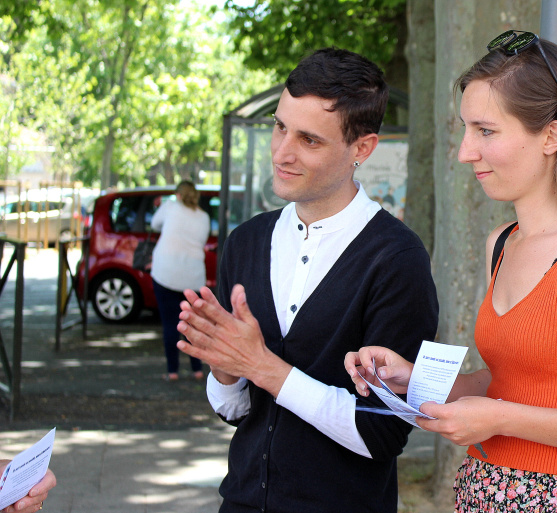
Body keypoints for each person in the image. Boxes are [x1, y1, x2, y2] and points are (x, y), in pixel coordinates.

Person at [345, 30, 557, 512]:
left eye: (486, 130)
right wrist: (410, 380)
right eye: (465, 129)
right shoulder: (501, 242)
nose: (464, 151)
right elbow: (511, 381)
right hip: (482, 489)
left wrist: (498, 418)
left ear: (551, 136)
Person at [175, 47, 438, 513]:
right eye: (279, 126)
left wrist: (263, 366)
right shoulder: (246, 241)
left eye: (309, 140)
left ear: (362, 148)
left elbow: (382, 432)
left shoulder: (397, 258)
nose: (282, 152)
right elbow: (236, 411)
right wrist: (225, 365)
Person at [150, 180, 210, 381]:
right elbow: (201, 240)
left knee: (169, 324)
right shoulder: (204, 217)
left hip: (165, 273)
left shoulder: (170, 207)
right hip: (193, 276)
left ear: (178, 195)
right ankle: (197, 369)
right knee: (192, 325)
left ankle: (172, 371)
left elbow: (154, 224)